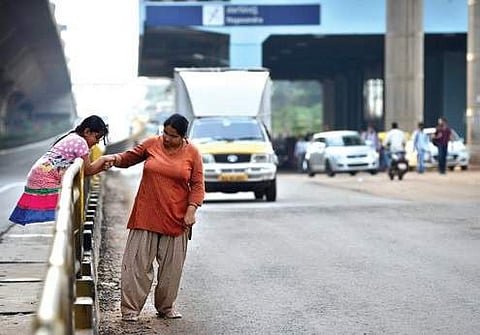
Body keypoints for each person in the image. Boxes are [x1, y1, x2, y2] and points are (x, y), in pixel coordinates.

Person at [110, 113, 205, 322]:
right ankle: (130, 309)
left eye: (172, 136)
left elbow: (198, 185)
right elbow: (129, 158)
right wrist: (112, 159)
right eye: (165, 133)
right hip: (146, 214)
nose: (167, 138)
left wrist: (191, 210)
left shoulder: (193, 153)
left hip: (176, 218)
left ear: (183, 136)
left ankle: (166, 307)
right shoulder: (152, 143)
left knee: (171, 270)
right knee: (136, 265)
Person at [9, 115, 114, 225]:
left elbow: (86, 171)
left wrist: (102, 166)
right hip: (46, 178)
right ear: (87, 131)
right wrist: (103, 159)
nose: (97, 142)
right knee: (62, 213)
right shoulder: (81, 142)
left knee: (62, 213)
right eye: (97, 137)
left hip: (39, 173)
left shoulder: (74, 137)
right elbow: (87, 170)